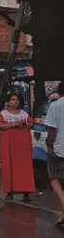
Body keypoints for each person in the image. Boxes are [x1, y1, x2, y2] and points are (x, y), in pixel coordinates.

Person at [0, 90, 35, 203]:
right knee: (9, 165)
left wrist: (25, 123)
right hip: (8, 143)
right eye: (13, 99)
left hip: (23, 144)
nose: (16, 101)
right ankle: (9, 191)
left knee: (25, 166)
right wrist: (14, 124)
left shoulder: (24, 113)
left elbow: (30, 124)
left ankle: (26, 192)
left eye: (17, 99)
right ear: (8, 102)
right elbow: (0, 125)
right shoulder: (3, 113)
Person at [45, 81, 64, 229]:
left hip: (59, 148)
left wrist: (49, 144)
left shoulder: (55, 106)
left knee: (53, 177)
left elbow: (52, 131)